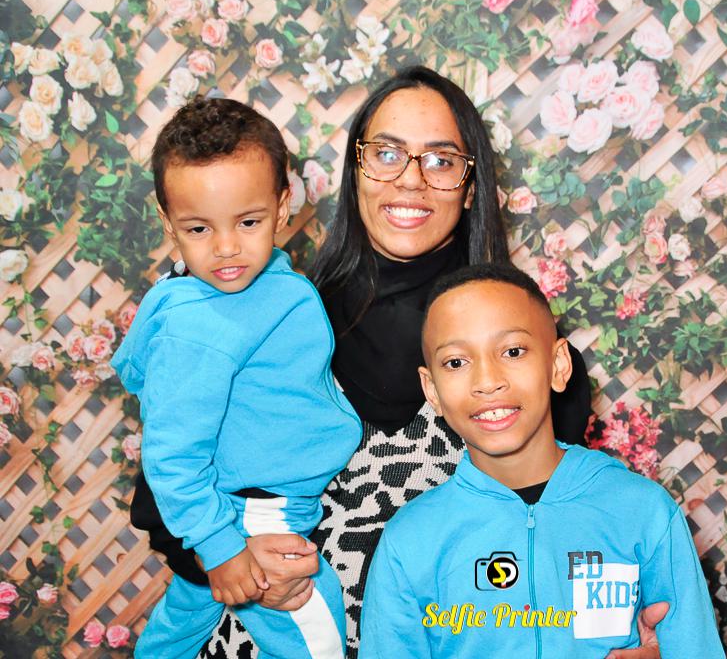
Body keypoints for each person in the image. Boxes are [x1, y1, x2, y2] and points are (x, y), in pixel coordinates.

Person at [127, 66, 665, 659]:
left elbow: (567, 533)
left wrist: (620, 635)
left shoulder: (527, 356)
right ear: (355, 171)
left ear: (470, 185)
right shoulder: (276, 319)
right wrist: (233, 563)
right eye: (386, 154)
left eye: (440, 160)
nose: (411, 179)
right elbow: (164, 493)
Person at [359, 264, 724, 658]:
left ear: (558, 365)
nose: (487, 381)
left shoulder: (643, 511)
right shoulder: (410, 540)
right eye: (456, 362)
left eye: (513, 351)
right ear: (432, 390)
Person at [112, 98, 361, 658]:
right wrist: (221, 547)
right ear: (168, 223)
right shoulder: (199, 327)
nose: (226, 248)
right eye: (199, 228)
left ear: (282, 205)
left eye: (248, 222)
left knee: (180, 627)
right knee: (316, 638)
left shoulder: (270, 283)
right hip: (255, 514)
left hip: (254, 503)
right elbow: (171, 455)